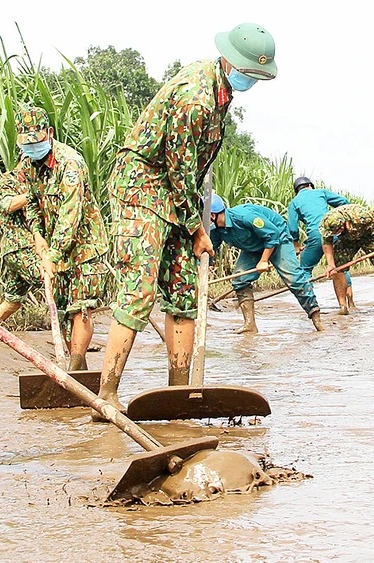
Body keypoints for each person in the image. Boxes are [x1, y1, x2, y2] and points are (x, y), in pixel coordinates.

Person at [94, 23, 278, 420]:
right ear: (230, 59)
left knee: (182, 293)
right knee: (138, 290)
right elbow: (178, 169)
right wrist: (198, 229)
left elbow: (193, 169)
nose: (252, 80)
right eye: (250, 71)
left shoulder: (222, 93)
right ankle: (105, 394)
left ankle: (179, 393)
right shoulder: (195, 97)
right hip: (142, 189)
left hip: (179, 196)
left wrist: (192, 218)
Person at [12, 107, 110, 371]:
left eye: (37, 139)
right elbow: (31, 201)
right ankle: (79, 368)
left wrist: (53, 255)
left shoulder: (69, 164)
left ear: (49, 133)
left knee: (81, 308)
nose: (32, 146)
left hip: (85, 247)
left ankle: (75, 370)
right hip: (54, 248)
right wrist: (37, 235)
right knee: (65, 313)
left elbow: (70, 215)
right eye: (27, 142)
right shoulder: (26, 165)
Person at [209, 195, 323, 333]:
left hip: (278, 239)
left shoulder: (245, 217)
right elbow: (210, 251)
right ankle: (249, 325)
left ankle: (317, 320)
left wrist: (263, 261)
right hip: (254, 247)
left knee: (294, 279)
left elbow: (272, 234)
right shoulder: (215, 230)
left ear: (212, 215)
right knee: (240, 280)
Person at [320, 204, 374, 313]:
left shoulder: (360, 215)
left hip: (368, 235)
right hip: (347, 240)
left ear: (343, 225)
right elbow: (326, 242)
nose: (333, 234)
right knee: (338, 269)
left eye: (335, 232)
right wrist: (331, 264)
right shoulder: (327, 223)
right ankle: (343, 307)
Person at [286, 175, 355, 307]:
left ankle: (311, 304)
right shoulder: (321, 192)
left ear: (297, 190)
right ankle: (350, 302)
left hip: (315, 236)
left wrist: (296, 245)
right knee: (341, 268)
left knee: (305, 269)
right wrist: (339, 220)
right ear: (310, 186)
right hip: (332, 232)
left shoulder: (294, 202)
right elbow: (344, 202)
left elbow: (293, 228)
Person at [0, 172, 43, 324]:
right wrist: (34, 192)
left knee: (12, 301)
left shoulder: (40, 177)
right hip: (19, 248)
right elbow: (8, 204)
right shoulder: (8, 180)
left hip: (32, 248)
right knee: (54, 285)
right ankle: (76, 345)